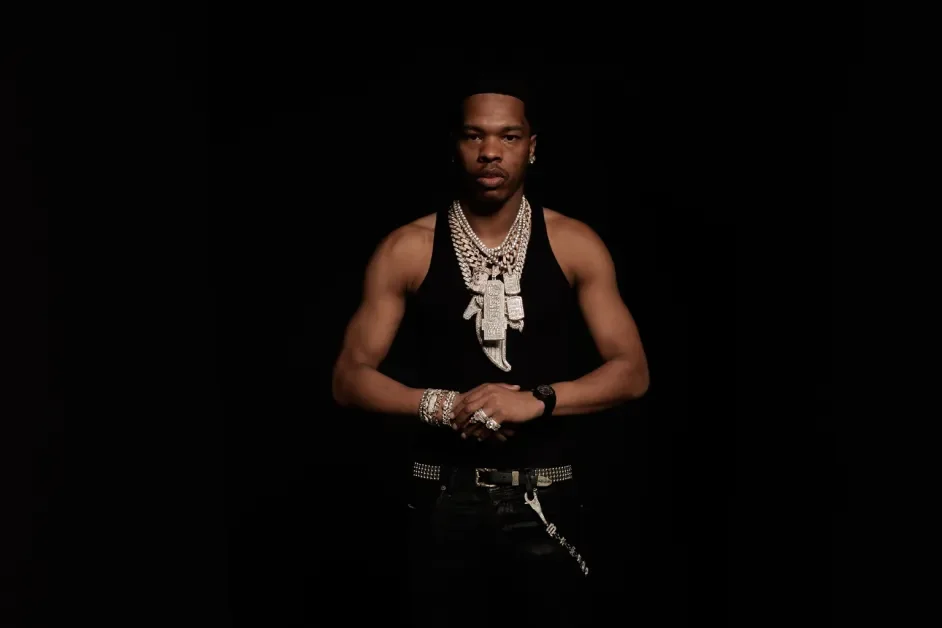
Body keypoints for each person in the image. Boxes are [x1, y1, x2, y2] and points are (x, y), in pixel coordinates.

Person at [331, 74, 649, 626]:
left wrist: (535, 400)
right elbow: (349, 378)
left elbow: (632, 371)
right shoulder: (407, 247)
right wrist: (445, 406)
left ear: (531, 146)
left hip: (546, 494)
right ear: (455, 145)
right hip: (439, 495)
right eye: (474, 135)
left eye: (508, 136)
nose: (490, 151)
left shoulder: (574, 242)